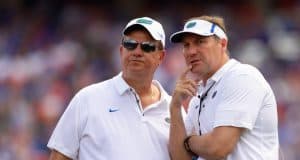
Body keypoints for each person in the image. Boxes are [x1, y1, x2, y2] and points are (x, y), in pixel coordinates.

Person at [47, 17, 174, 160]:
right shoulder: (87, 99)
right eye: (130, 44)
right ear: (121, 51)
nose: (137, 52)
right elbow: (60, 156)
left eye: (147, 46)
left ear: (161, 56)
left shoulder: (174, 110)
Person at [168, 15, 279, 160]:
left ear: (223, 44)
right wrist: (175, 107)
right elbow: (179, 158)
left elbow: (218, 148)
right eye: (186, 45)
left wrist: (189, 143)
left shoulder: (242, 77)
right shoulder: (198, 97)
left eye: (200, 42)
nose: (191, 51)